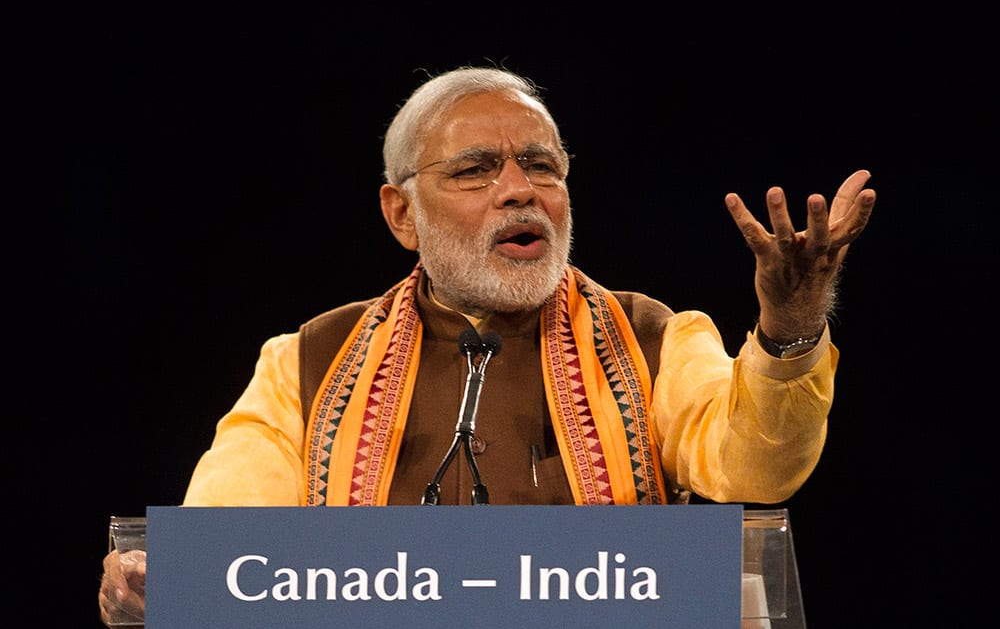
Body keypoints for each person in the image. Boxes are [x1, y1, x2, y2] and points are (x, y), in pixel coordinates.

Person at [98, 65, 875, 625]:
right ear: (401, 214)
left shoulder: (654, 336)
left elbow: (759, 466)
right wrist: (166, 575)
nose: (519, 188)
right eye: (476, 170)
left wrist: (791, 325)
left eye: (541, 164)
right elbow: (233, 536)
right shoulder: (308, 359)